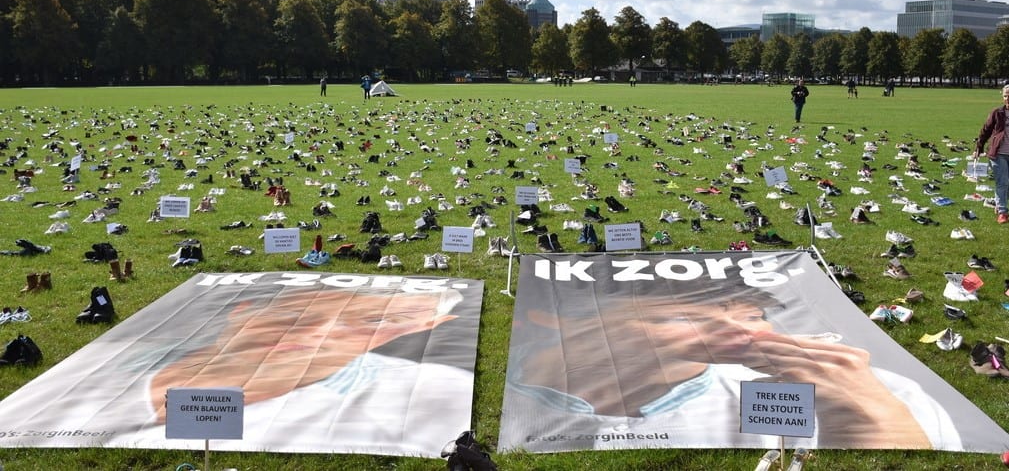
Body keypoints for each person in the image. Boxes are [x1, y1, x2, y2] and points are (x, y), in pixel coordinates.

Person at [499, 253, 970, 453]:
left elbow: (908, 449)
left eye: (749, 315)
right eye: (678, 316)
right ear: (557, 317)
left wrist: (872, 420)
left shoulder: (863, 388)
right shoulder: (497, 392)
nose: (736, 332)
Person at [0, 274, 480, 457]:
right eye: (300, 317)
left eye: (378, 325)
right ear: (245, 309)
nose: (321, 335)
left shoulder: (409, 395)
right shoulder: (104, 372)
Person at [973, 83, 1009, 224]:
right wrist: (979, 148)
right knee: (1002, 182)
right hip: (998, 153)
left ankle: (999, 204)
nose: (1008, 98)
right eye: (1006, 96)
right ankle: (1002, 212)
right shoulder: (997, 113)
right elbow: (985, 130)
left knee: (1006, 182)